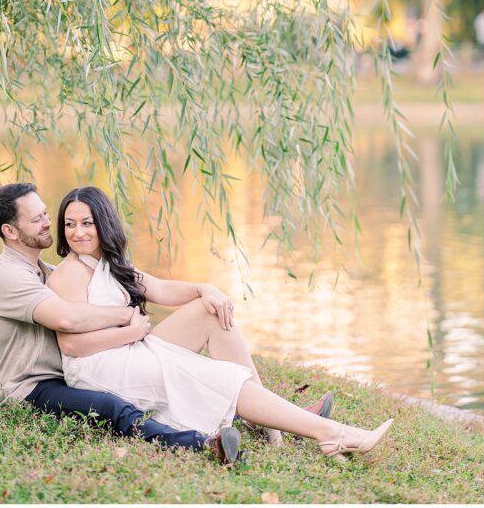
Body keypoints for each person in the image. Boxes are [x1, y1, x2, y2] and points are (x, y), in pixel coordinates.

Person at [47, 186, 394, 459]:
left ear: (103, 223)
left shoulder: (108, 263)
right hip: (99, 367)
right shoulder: (69, 275)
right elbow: (72, 346)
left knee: (209, 309)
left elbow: (162, 289)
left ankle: (270, 421)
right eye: (70, 224)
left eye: (87, 222)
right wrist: (132, 331)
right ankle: (332, 434)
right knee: (217, 378)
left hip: (130, 347)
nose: (77, 232)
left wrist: (205, 287)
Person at [0, 182, 240, 463]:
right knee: (111, 406)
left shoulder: (48, 271)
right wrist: (128, 320)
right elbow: (67, 318)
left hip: (72, 372)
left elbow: (154, 287)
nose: (48, 223)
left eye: (45, 214)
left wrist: (203, 288)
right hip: (34, 386)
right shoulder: (8, 276)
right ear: (9, 231)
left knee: (163, 368)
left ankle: (237, 405)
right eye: (37, 219)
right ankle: (202, 444)